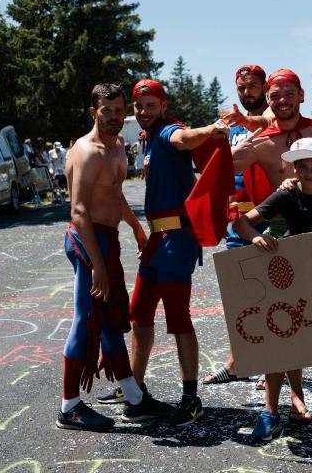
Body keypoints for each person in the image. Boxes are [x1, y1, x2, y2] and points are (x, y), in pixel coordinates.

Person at [97, 79, 229, 427]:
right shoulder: (149, 140)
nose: (143, 112)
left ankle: (191, 398)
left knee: (178, 319)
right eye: (139, 106)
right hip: (157, 242)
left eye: (150, 105)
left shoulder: (170, 131)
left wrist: (211, 129)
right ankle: (134, 388)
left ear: (164, 106)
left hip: (176, 241)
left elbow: (185, 138)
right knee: (139, 315)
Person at [58, 83, 174, 431]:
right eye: (106, 111)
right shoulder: (87, 151)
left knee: (109, 320)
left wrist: (136, 227)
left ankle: (135, 400)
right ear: (94, 112)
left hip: (107, 239)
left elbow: (115, 194)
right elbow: (78, 210)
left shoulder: (120, 146)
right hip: (88, 239)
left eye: (120, 110)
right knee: (86, 316)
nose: (114, 116)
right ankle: (69, 406)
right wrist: (96, 266)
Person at [234, 137, 312, 443]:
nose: (310, 172)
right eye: (302, 166)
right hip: (290, 278)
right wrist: (256, 238)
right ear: (294, 169)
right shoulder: (285, 196)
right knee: (282, 347)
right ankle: (270, 414)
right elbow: (241, 224)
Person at [202, 64, 273, 386]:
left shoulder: (275, 117)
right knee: (238, 295)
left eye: (253, 86)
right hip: (237, 219)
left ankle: (273, 363)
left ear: (265, 86)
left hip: (271, 217)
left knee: (272, 292)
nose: (247, 93)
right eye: (242, 88)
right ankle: (236, 362)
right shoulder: (230, 127)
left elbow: (270, 124)